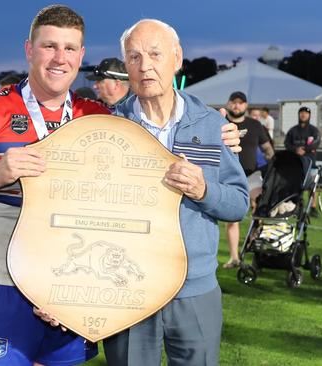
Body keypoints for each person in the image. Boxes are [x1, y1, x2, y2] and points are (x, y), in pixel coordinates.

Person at [0, 6, 241, 365]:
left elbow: (160, 165)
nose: (60, 58)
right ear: (29, 49)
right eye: (49, 46)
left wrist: (220, 137)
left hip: (80, 289)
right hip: (7, 285)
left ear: (81, 56)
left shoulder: (96, 116)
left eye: (70, 48)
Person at [99, 19, 249, 366]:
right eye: (134, 57)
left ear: (177, 59)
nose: (145, 66)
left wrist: (203, 190)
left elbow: (238, 204)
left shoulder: (212, 126)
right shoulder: (109, 127)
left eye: (155, 54)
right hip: (127, 289)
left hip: (195, 290)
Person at [222, 93, 273, 269]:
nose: (237, 106)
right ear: (228, 104)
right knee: (232, 217)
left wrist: (272, 167)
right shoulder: (219, 122)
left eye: (240, 103)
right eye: (234, 103)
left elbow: (268, 149)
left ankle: (256, 247)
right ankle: (234, 257)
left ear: (246, 105)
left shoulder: (255, 125)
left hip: (251, 175)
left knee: (258, 210)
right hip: (228, 175)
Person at [285, 106, 321, 216]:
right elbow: (287, 144)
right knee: (296, 184)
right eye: (301, 113)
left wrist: (304, 149)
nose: (303, 115)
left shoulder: (313, 130)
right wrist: (296, 149)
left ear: (309, 115)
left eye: (306, 113)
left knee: (312, 185)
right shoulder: (293, 130)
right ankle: (295, 206)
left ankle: (313, 207)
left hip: (310, 161)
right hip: (296, 162)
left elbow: (316, 143)